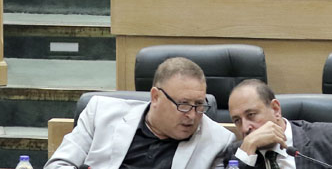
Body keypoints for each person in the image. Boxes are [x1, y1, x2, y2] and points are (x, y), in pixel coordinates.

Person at [44, 57, 232, 169]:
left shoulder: (218, 140)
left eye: (199, 105)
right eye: (183, 104)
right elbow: (58, 165)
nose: (192, 115)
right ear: (156, 97)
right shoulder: (100, 113)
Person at [223, 79, 332, 169]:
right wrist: (246, 152)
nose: (245, 128)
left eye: (251, 115)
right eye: (237, 120)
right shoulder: (237, 154)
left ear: (275, 109)